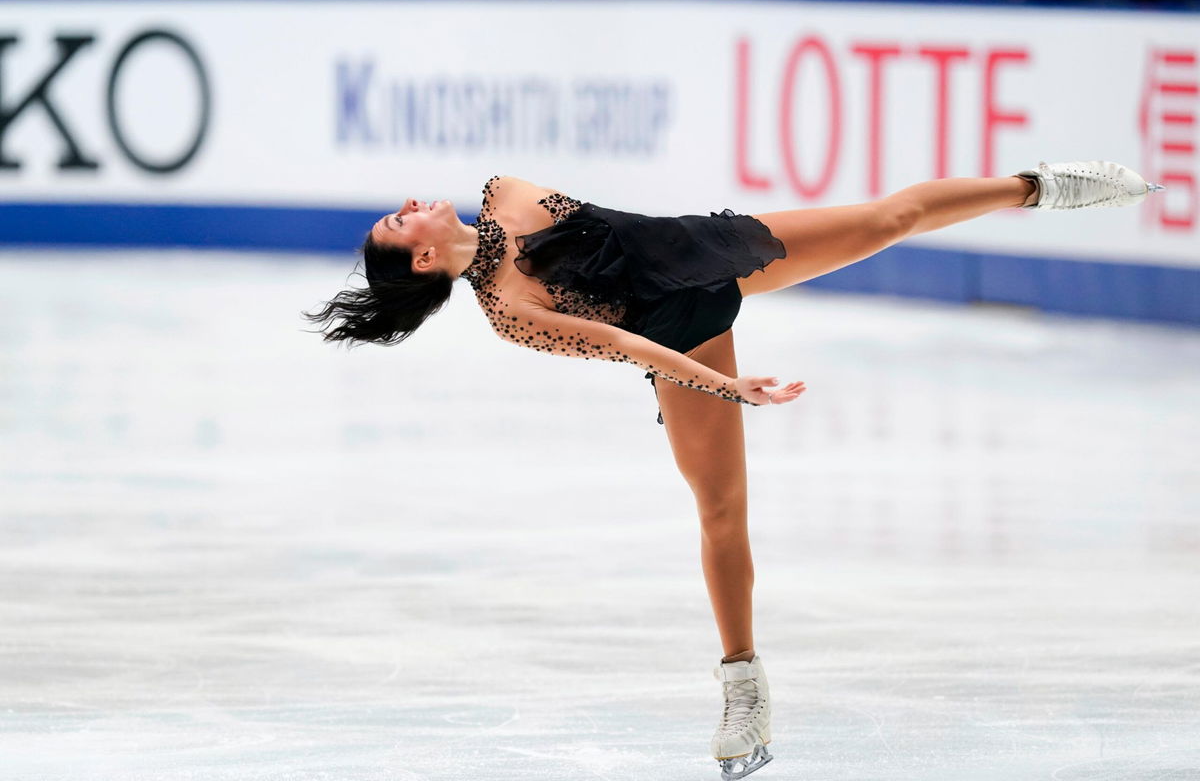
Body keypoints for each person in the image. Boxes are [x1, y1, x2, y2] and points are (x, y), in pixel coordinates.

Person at [304, 161, 1161, 780]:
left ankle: (1048, 186)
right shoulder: (509, 315)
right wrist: (724, 383)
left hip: (707, 251)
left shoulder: (503, 192)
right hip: (681, 341)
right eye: (398, 221)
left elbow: (618, 241)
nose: (410, 204)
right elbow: (619, 341)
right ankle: (743, 683)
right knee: (721, 509)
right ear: (420, 261)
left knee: (889, 218)